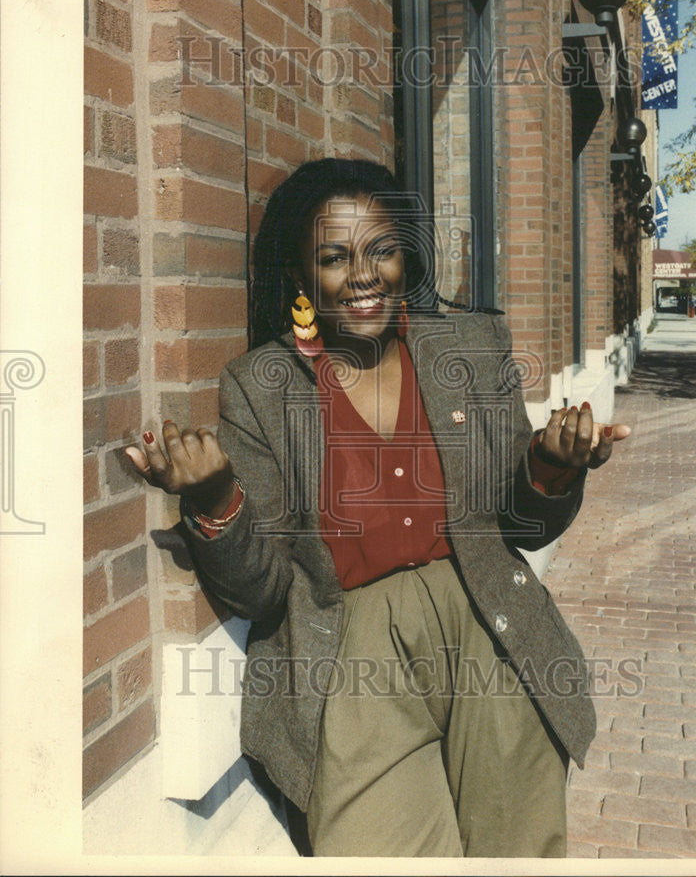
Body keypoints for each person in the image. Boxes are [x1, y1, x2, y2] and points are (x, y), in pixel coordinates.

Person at [126, 158, 630, 857]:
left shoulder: (472, 350)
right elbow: (262, 590)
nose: (363, 274)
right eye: (334, 258)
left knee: (515, 846)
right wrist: (215, 500)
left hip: (488, 621)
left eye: (382, 250)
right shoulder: (261, 387)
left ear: (406, 257)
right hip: (349, 645)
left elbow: (523, 525)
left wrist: (551, 466)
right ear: (302, 277)